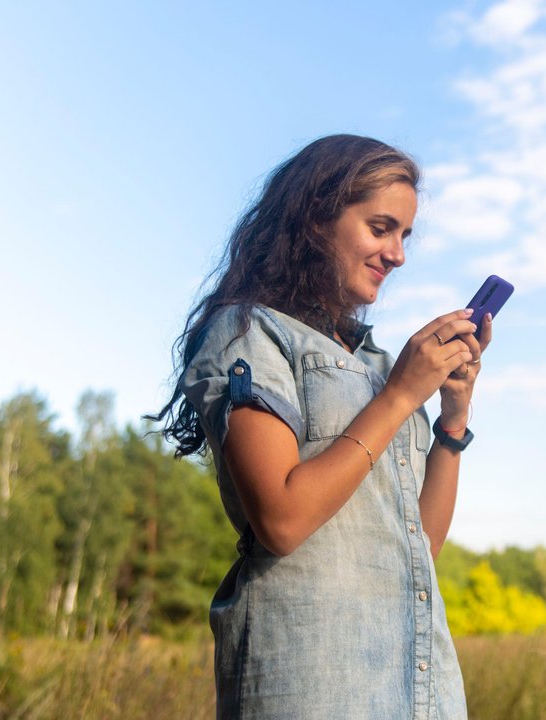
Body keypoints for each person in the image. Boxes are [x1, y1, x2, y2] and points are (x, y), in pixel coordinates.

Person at [150, 134, 491, 719]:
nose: (398, 253)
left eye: (405, 235)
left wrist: (452, 420)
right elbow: (282, 520)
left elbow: (418, 550)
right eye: (381, 227)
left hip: (422, 692)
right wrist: (404, 394)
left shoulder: (380, 366)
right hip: (312, 685)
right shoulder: (249, 333)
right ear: (316, 220)